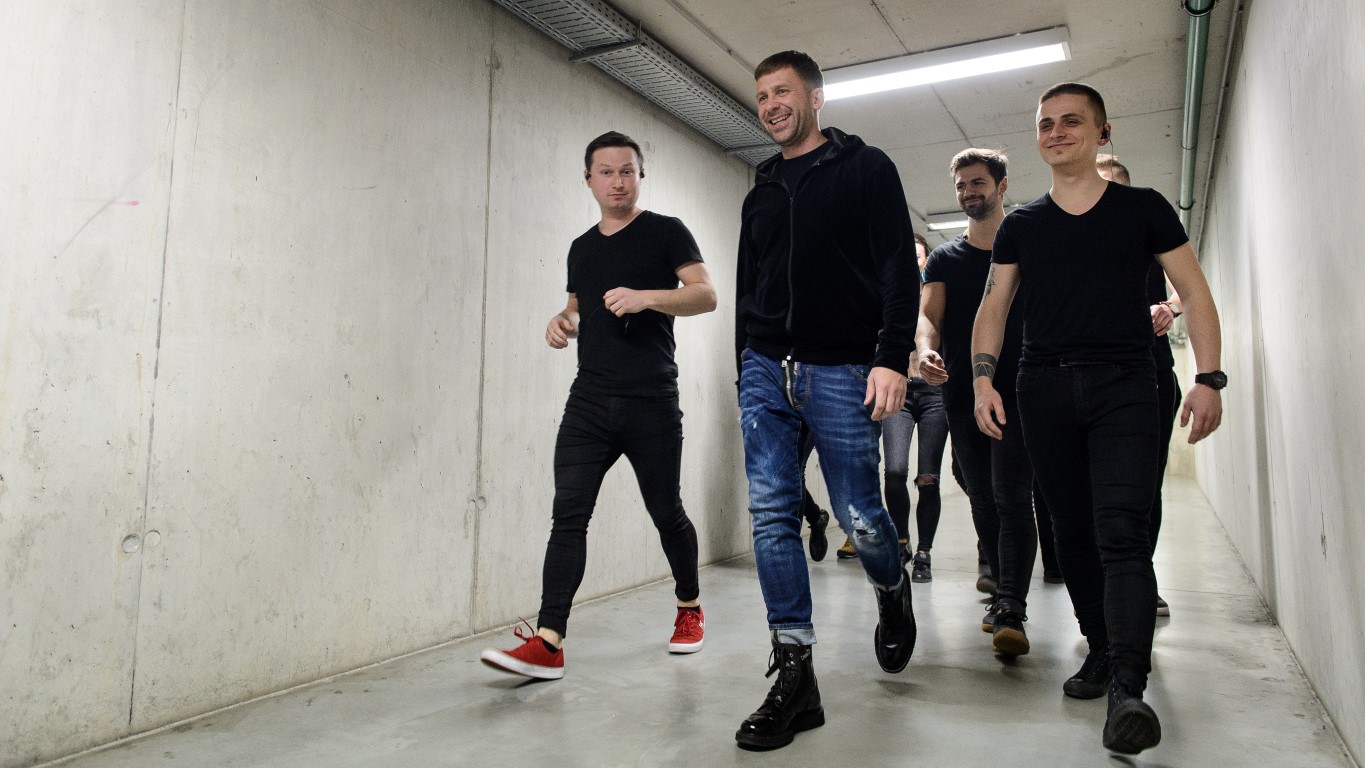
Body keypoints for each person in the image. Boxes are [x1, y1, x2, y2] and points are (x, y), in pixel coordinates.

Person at [971, 83, 1225, 755]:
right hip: (1043, 388)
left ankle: (1128, 689)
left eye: (1071, 121)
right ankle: (1101, 648)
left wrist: (1208, 378)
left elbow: (1194, 291)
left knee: (1121, 531)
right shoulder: (1022, 225)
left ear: (1101, 132)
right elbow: (994, 306)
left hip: (1125, 385)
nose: (1056, 132)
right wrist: (982, 379)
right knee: (1073, 533)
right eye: (1045, 124)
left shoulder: (1143, 209)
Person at [480, 131, 718, 680]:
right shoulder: (581, 247)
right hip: (588, 400)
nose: (617, 181)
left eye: (627, 171)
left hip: (651, 400)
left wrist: (647, 297)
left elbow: (705, 295)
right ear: (588, 180)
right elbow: (578, 307)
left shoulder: (666, 231)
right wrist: (562, 321)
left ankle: (689, 607)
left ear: (640, 176)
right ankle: (549, 641)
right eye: (606, 172)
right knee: (568, 514)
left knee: (666, 511)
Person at [734, 50, 918, 751]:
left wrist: (890, 358)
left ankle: (891, 587)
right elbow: (748, 286)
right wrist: (742, 367)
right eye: (761, 96)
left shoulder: (866, 169)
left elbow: (897, 268)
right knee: (771, 514)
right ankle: (795, 674)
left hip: (842, 367)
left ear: (815, 97)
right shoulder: (761, 190)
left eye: (782, 91)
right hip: (764, 368)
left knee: (859, 514)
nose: (771, 105)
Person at [916, 149, 1036, 656]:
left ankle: (1011, 606)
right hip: (962, 392)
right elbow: (929, 318)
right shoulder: (944, 259)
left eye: (979, 182)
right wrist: (926, 350)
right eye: (962, 185)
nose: (969, 192)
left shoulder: (1027, 246)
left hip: (1020, 390)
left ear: (1002, 186)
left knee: (1012, 495)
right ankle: (1002, 585)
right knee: (983, 496)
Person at [1097, 153, 1182, 617]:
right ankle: (1106, 580)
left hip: (1150, 373)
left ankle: (1140, 579)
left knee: (1144, 486)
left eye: (1111, 185)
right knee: (1095, 490)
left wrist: (1170, 307)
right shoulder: (1071, 235)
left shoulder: (1150, 229)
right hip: (1090, 375)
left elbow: (1188, 287)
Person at [837, 234, 948, 580]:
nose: (912, 261)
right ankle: (901, 541)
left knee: (928, 478)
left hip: (934, 395)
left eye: (918, 256)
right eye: (907, 255)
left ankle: (924, 553)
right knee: (895, 471)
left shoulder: (938, 295)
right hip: (899, 391)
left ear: (927, 261)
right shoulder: (887, 296)